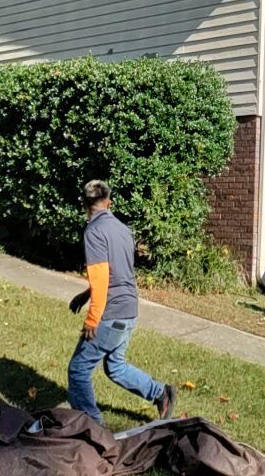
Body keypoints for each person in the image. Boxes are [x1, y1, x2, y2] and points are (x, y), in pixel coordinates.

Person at [67, 180, 175, 423]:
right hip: (129, 309)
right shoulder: (123, 229)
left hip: (110, 313)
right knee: (115, 366)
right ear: (109, 202)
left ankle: (92, 428)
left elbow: (103, 276)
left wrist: (93, 318)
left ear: (84, 204)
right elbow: (119, 271)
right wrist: (86, 294)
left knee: (78, 370)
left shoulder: (94, 232)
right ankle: (160, 392)